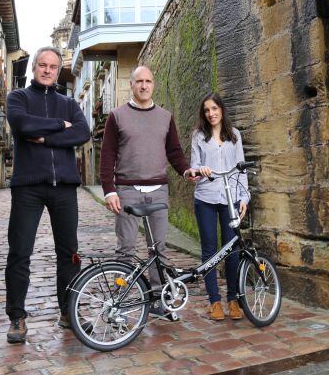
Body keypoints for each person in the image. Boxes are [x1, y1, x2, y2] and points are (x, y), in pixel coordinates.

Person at [4, 47, 91, 343]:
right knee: (20, 253)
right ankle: (17, 317)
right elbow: (22, 124)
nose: (47, 70)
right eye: (42, 65)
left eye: (53, 66)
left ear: (57, 71)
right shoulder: (18, 98)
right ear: (34, 68)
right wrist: (58, 127)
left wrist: (44, 138)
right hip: (28, 186)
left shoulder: (68, 103)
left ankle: (68, 312)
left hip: (64, 186)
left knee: (69, 254)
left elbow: (82, 133)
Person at [99, 65, 197, 320]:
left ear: (153, 85)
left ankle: (158, 300)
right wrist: (109, 190)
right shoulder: (116, 116)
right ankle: (121, 303)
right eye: (139, 81)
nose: (144, 85)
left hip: (158, 190)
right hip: (127, 189)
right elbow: (107, 155)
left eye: (148, 81)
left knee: (159, 250)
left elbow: (174, 151)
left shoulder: (165, 117)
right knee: (126, 249)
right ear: (131, 85)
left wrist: (186, 171)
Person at [190, 92, 250, 321]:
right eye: (207, 110)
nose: (211, 113)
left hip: (231, 198)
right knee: (209, 250)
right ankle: (214, 300)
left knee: (232, 250)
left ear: (221, 110)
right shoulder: (198, 136)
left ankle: (233, 299)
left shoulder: (234, 136)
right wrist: (200, 170)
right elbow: (193, 166)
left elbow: (241, 169)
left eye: (214, 109)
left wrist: (244, 198)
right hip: (205, 197)